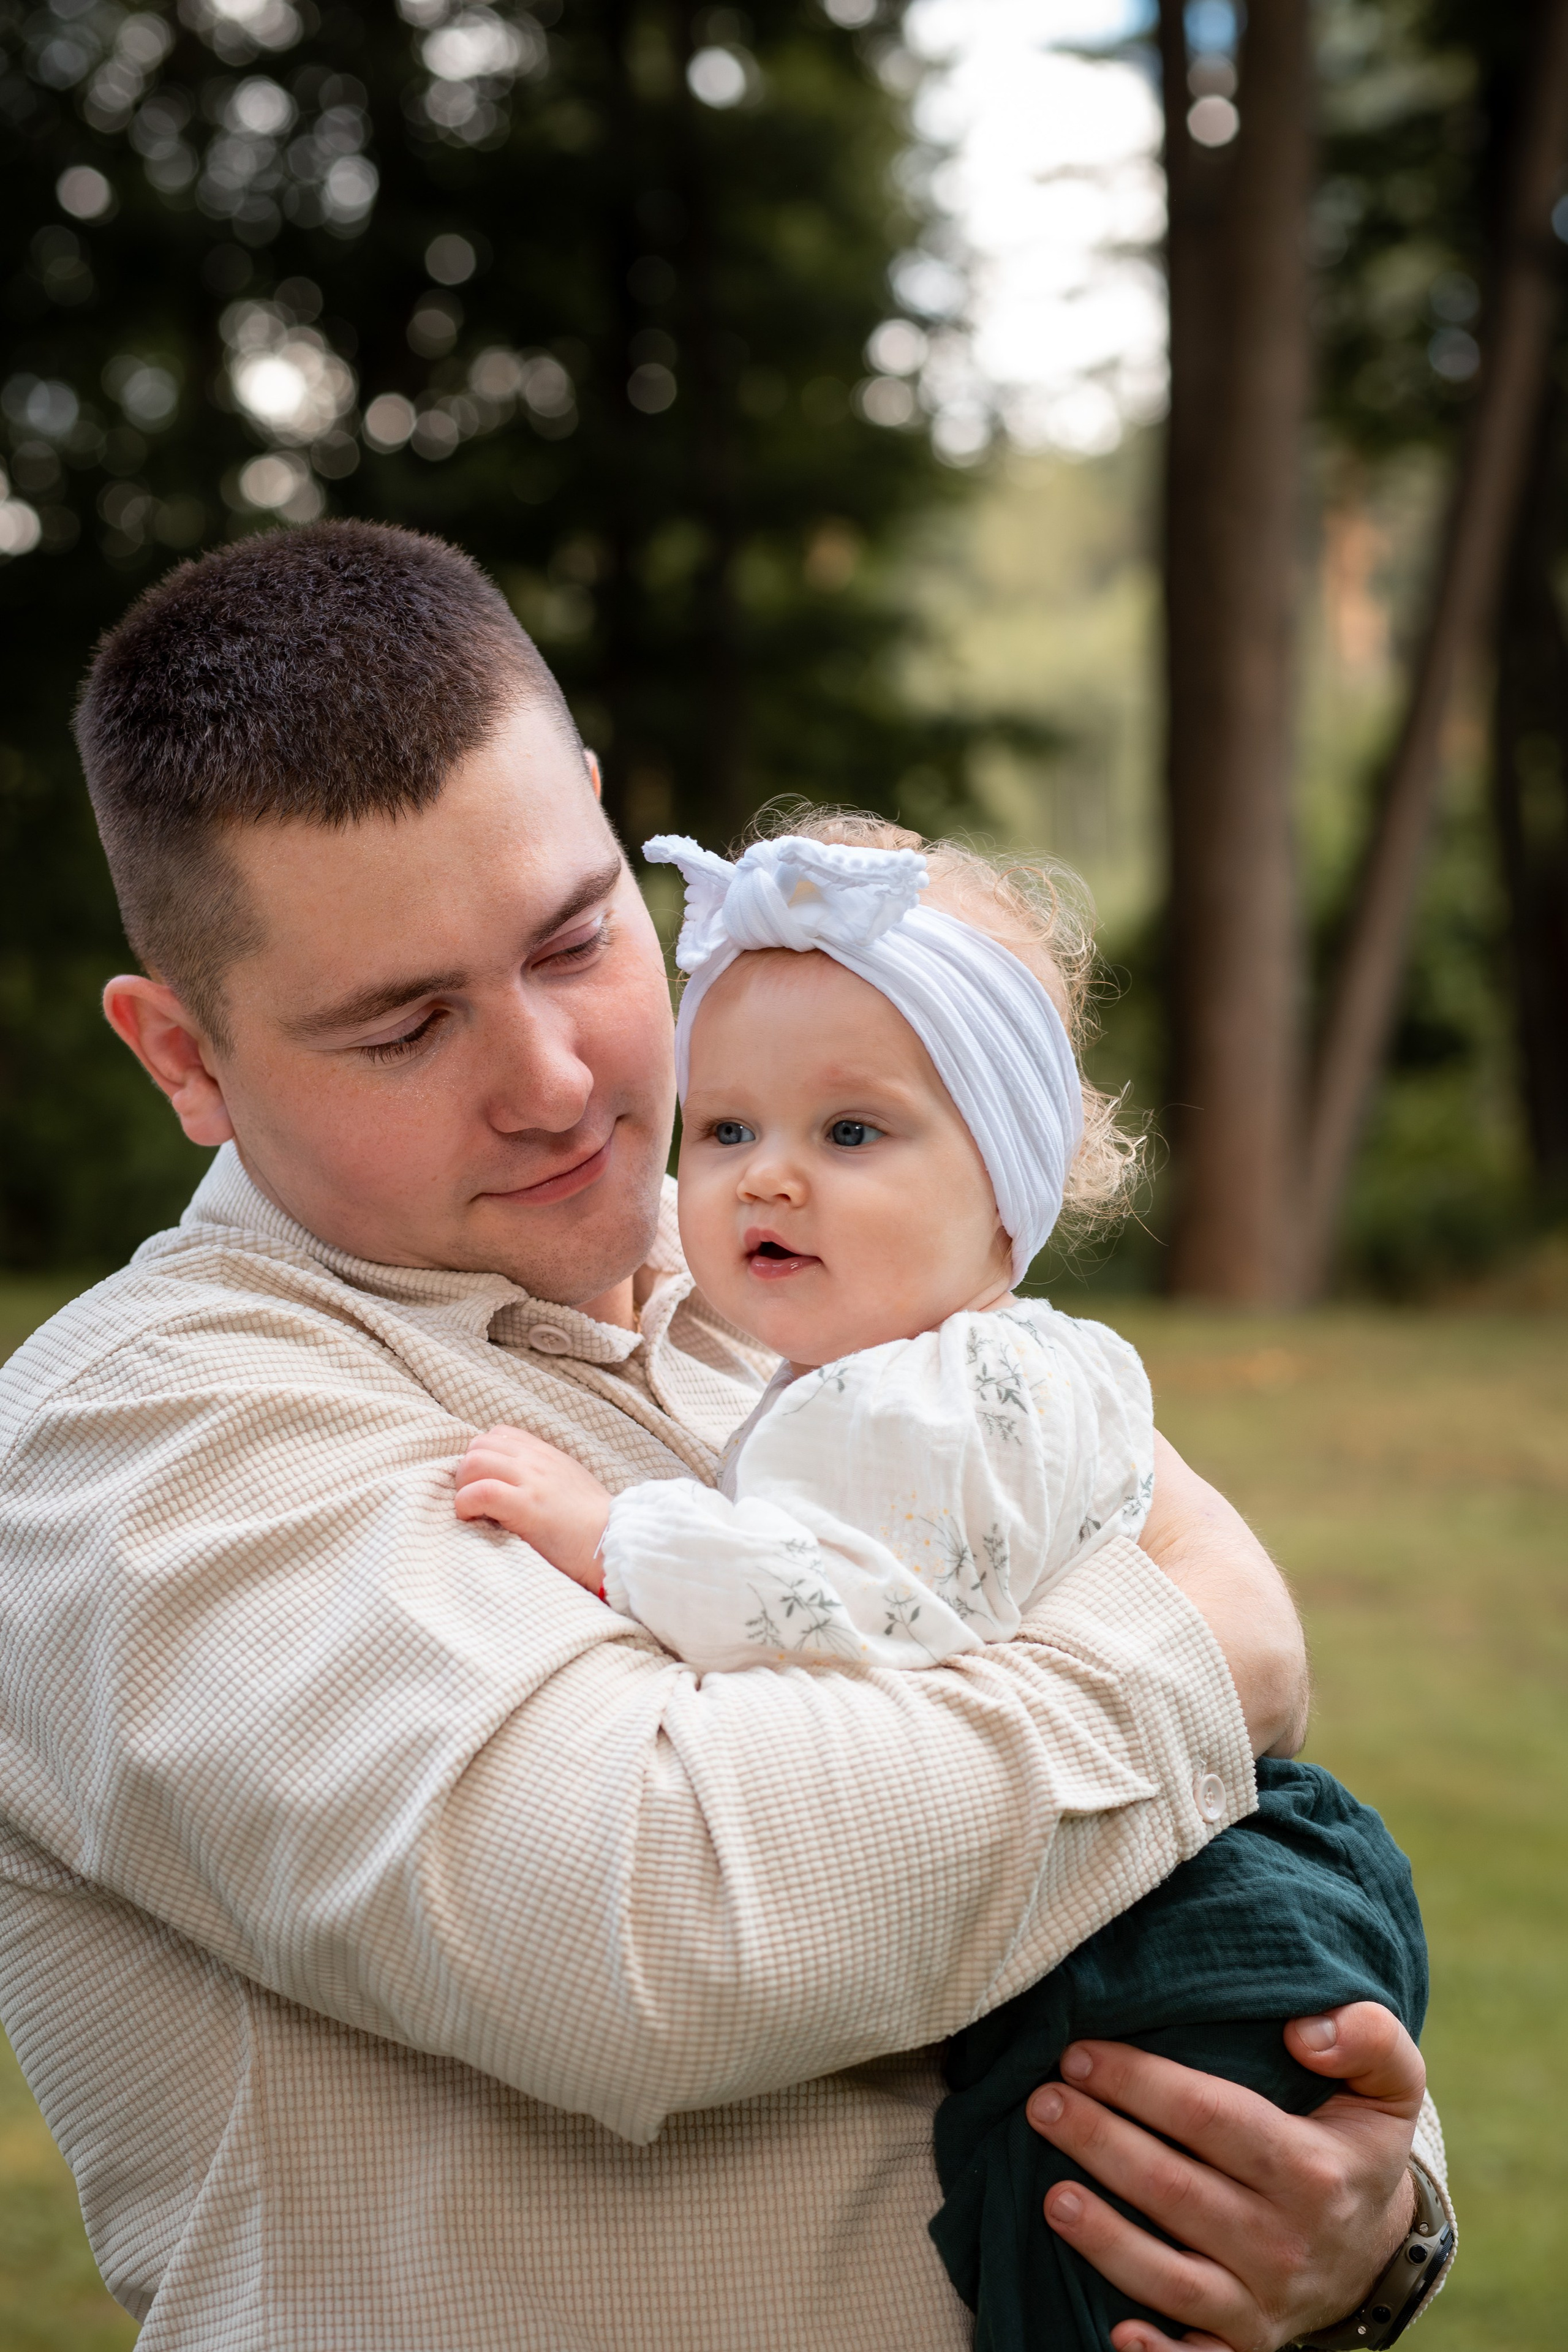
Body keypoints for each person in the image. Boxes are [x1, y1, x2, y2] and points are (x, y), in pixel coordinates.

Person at [0, 522, 1448, 2352]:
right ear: (183, 1057)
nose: (552, 1082)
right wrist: (1197, 1660)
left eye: (573, 939)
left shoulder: (796, 1291)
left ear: (614, 832)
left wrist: (1356, 2215)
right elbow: (653, 1924)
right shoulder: (136, 1442)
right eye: (403, 1026)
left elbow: (1200, 1877)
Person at [448, 820, 1447, 2352]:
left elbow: (838, 1615)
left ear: (1005, 1190)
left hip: (1151, 1928)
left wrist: (609, 1533)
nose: (770, 1175)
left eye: (852, 1133)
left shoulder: (902, 1410)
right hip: (1227, 1856)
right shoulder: (1018, 1362)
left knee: (1077, 2260)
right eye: (727, 1128)